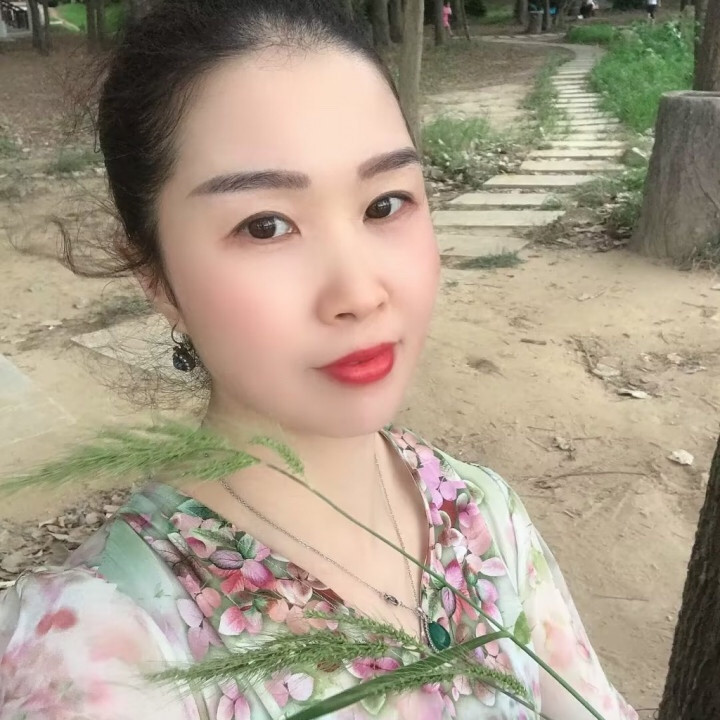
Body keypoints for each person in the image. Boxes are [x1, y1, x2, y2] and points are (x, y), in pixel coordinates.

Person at [0, 1, 639, 718]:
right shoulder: (102, 650)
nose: (358, 293)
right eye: (265, 226)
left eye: (385, 204)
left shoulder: (484, 516)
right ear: (156, 278)